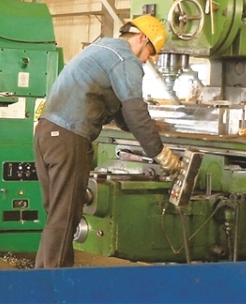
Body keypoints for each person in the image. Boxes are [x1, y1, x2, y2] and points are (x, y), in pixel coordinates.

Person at [34, 14, 181, 268]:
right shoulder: (126, 58)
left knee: (57, 217)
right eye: (150, 53)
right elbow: (135, 111)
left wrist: (153, 128)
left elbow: (124, 115)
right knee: (65, 218)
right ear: (141, 38)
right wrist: (160, 152)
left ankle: (40, 281)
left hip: (47, 133)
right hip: (70, 137)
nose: (146, 60)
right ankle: (56, 285)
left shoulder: (102, 47)